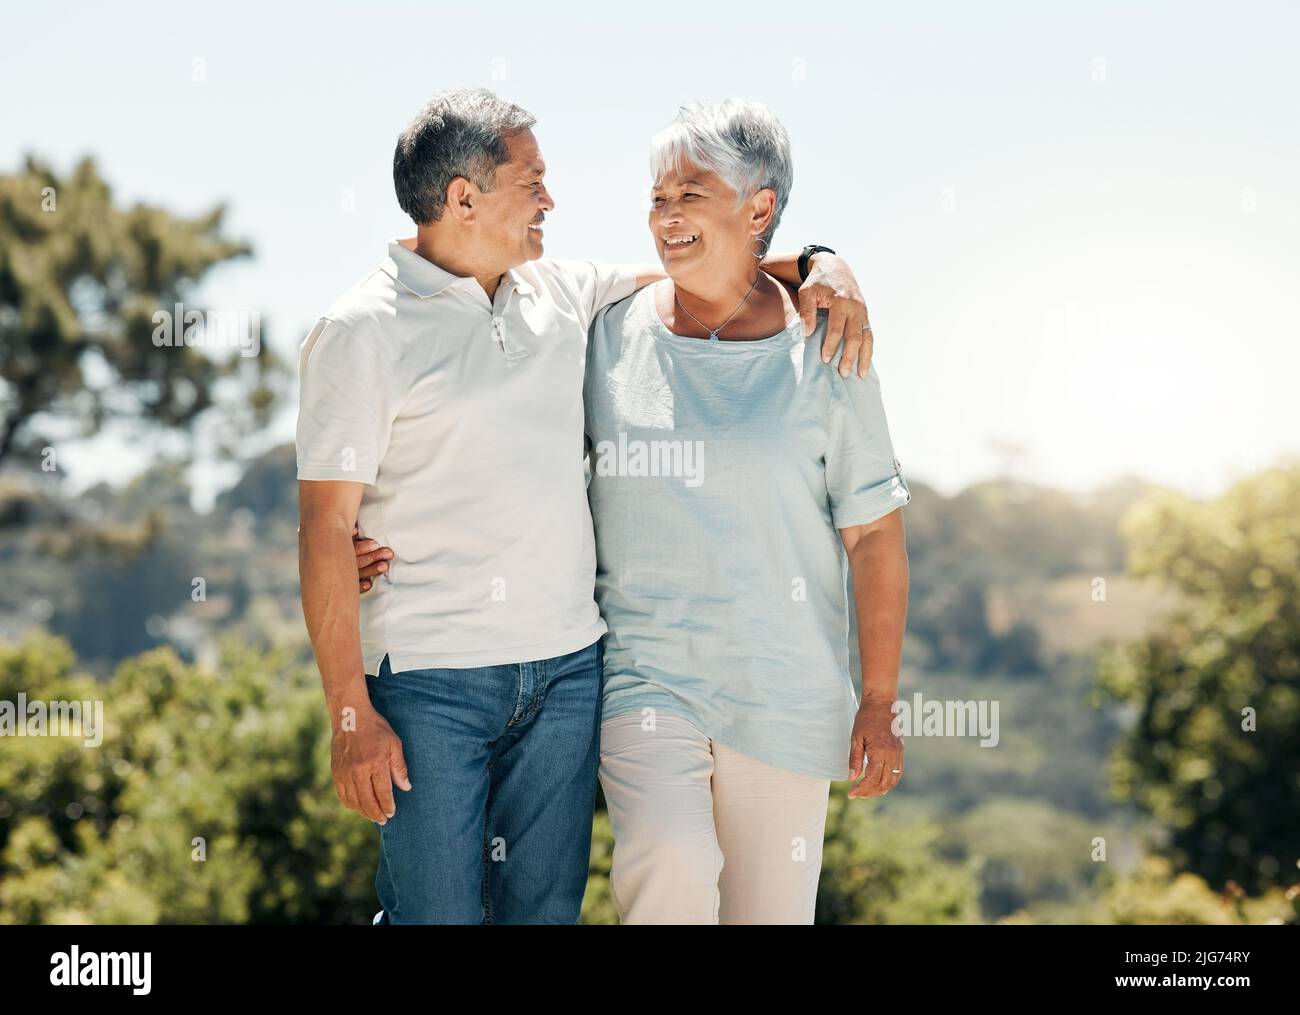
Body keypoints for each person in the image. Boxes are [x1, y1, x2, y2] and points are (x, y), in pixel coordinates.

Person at [301, 86, 873, 924]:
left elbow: (715, 262)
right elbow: (321, 529)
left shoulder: (563, 293)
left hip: (567, 674)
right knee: (437, 912)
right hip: (428, 682)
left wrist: (826, 260)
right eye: (531, 181)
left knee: (542, 912)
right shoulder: (360, 329)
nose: (551, 200)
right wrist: (350, 715)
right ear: (464, 198)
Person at [583, 99, 912, 924]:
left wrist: (877, 700)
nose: (666, 215)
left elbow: (872, 533)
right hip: (645, 677)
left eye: (691, 193)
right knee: (671, 863)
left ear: (758, 207)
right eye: (658, 197)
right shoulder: (606, 333)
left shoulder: (831, 345)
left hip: (785, 690)